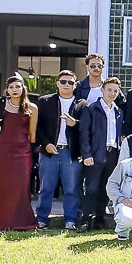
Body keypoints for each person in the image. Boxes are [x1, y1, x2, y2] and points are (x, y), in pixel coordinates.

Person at [34, 68, 82, 230]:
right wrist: (46, 143)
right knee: (46, 188)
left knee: (71, 189)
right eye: (63, 81)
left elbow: (87, 128)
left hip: (71, 152)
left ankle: (71, 220)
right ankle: (41, 219)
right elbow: (37, 127)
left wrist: (75, 123)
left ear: (75, 85)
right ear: (57, 83)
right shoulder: (45, 101)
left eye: (70, 82)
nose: (66, 84)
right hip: (49, 151)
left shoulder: (82, 104)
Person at [0, 74, 38, 232]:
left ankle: (23, 223)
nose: (14, 89)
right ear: (7, 90)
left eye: (17, 86)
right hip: (3, 151)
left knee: (21, 186)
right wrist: (0, 112)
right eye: (11, 87)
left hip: (23, 152)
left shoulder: (32, 108)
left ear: (23, 88)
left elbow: (32, 135)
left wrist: (33, 153)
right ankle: (2, 222)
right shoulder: (1, 105)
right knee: (3, 186)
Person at [76, 76, 124, 230]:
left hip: (112, 154)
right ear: (102, 90)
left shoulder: (118, 111)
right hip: (96, 153)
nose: (112, 93)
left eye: (115, 91)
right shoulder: (92, 109)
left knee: (105, 187)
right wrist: (86, 154)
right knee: (91, 188)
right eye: (109, 90)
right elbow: (84, 133)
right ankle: (85, 219)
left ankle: (99, 218)